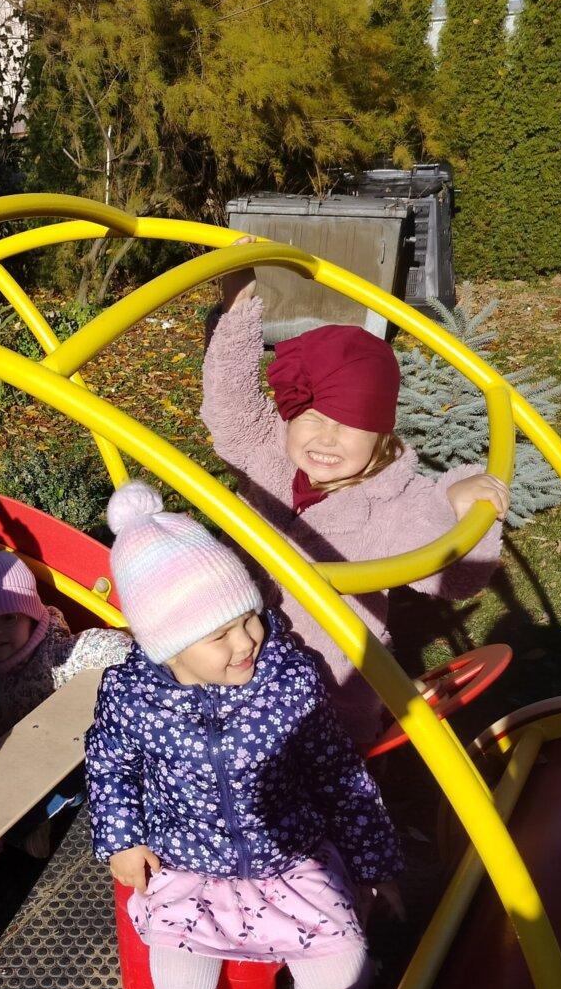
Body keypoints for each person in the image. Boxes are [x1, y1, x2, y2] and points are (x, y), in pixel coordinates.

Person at [85, 483, 403, 989]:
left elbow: (338, 773)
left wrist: (373, 862)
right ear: (167, 645)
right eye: (220, 635)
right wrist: (122, 838)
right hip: (189, 866)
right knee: (178, 985)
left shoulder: (287, 681)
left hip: (288, 859)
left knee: (341, 967)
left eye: (250, 618)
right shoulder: (134, 698)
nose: (247, 641)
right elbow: (109, 765)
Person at [202, 254, 509, 747]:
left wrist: (458, 501)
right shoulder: (269, 451)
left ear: (380, 435)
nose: (326, 439)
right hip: (223, 669)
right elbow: (230, 406)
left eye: (349, 425)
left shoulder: (392, 503)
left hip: (322, 699)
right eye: (313, 418)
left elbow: (456, 576)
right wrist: (238, 305)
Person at [0, 550, 131, 751]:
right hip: (20, 762)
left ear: (31, 619)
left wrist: (132, 661)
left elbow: (104, 646)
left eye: (9, 618)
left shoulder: (55, 655)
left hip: (76, 750)